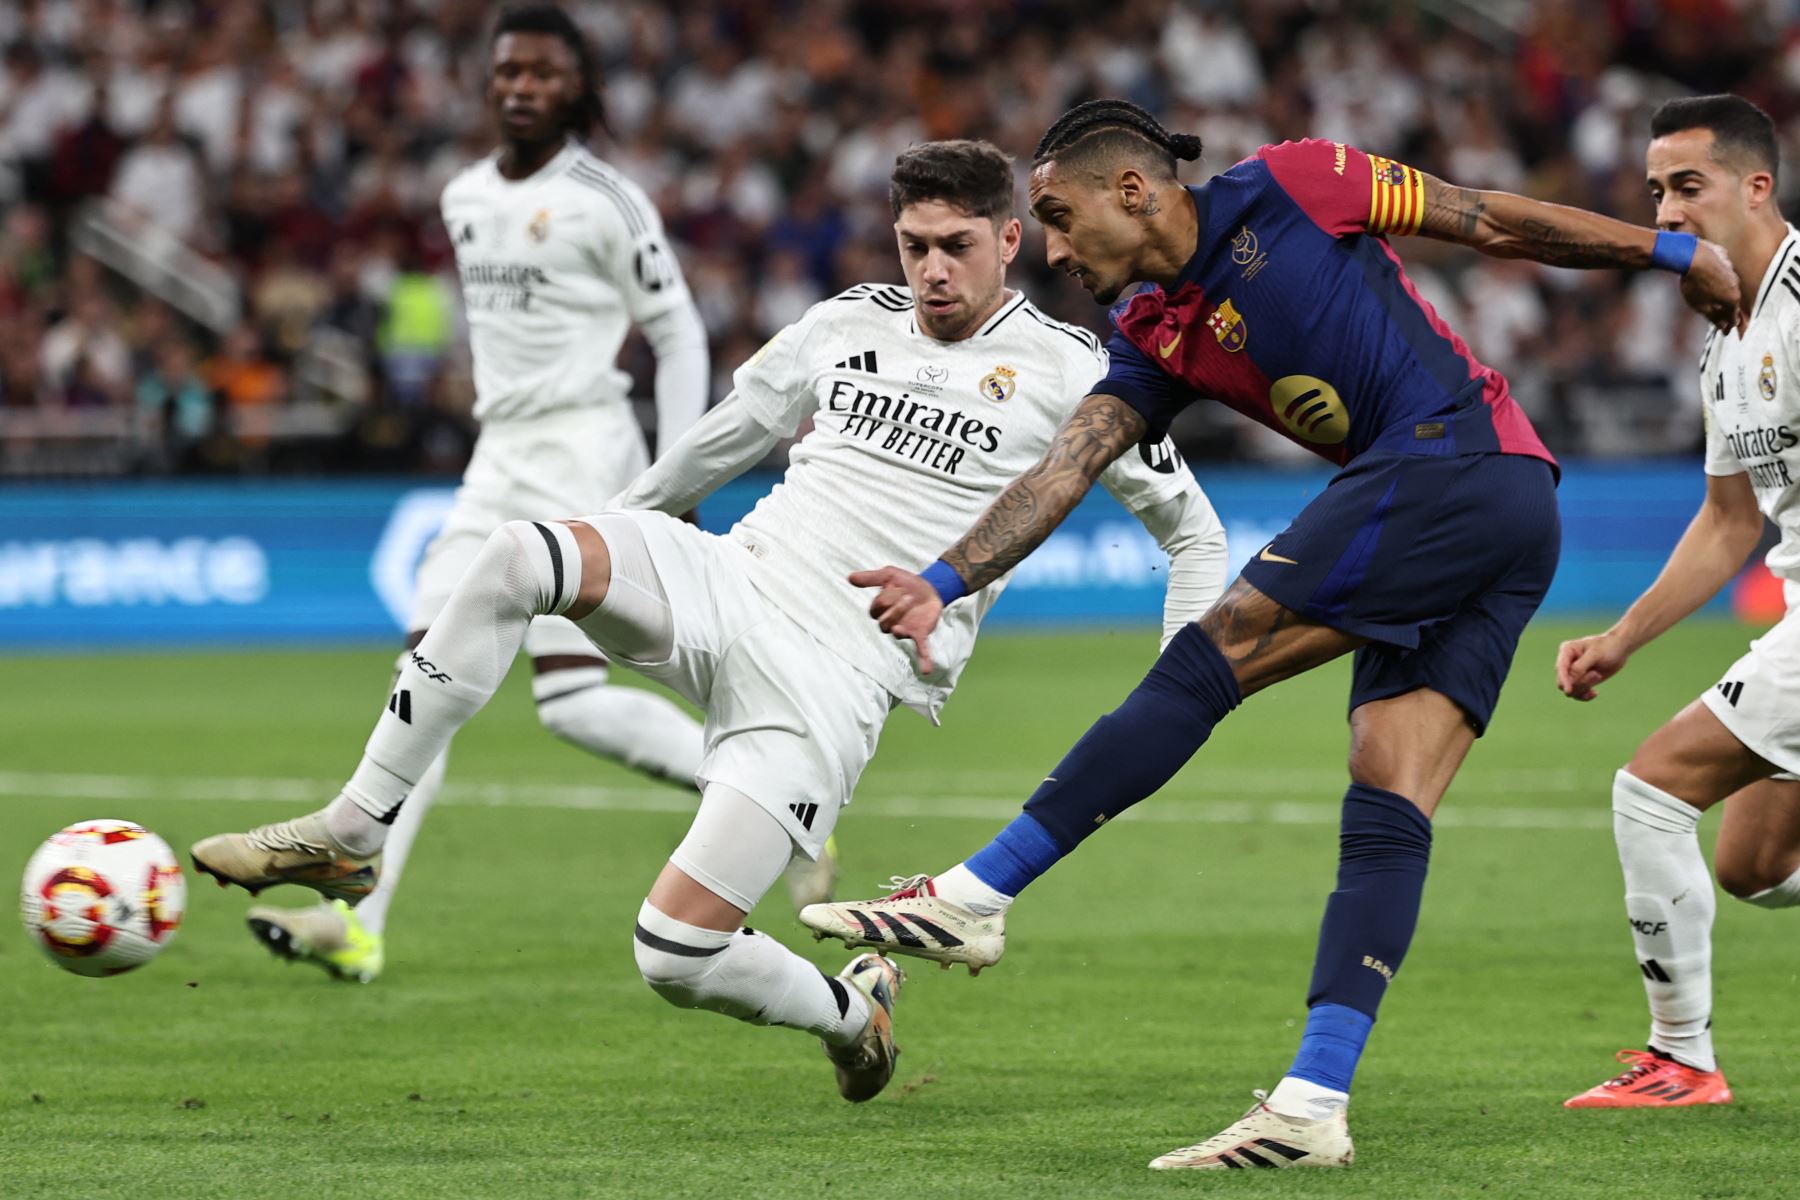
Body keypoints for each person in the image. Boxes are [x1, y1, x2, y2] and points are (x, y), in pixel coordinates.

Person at [800, 99, 1743, 1168]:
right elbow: (1069, 465)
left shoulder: (1296, 182)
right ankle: (1312, 1103)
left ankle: (979, 893)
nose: (1052, 250)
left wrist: (1673, 251)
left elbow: (1485, 219)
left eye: (1057, 218)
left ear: (1132, 190)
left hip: (1455, 460)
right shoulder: (1154, 331)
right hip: (1508, 513)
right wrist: (941, 577)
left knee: (1213, 655)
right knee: (1387, 795)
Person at [190, 138, 1229, 1102]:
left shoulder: (1071, 368)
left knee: (672, 954)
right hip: (736, 576)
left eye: (958, 247)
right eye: (914, 246)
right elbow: (728, 438)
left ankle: (848, 1012)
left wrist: (1171, 693)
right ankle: (356, 830)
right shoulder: (846, 321)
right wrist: (621, 529)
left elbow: (1194, 536)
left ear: (1011, 241)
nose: (933, 272)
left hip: (837, 681)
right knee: (520, 555)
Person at [236, 5, 714, 983]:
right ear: (486, 83)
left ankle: (762, 790)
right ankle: (358, 923)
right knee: (426, 680)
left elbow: (679, 333)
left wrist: (681, 471)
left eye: (542, 72)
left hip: (590, 453)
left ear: (575, 88)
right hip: (497, 461)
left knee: (577, 705)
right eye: (507, 71)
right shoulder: (461, 197)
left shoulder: (608, 201)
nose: (521, 86)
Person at [1558, 95, 1800, 1110]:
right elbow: (1728, 521)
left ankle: (1682, 1059)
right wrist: (1624, 637)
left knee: (1650, 790)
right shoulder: (1723, 342)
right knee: (1752, 863)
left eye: (1687, 187)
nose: (1667, 210)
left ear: (1757, 186)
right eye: (1656, 191)